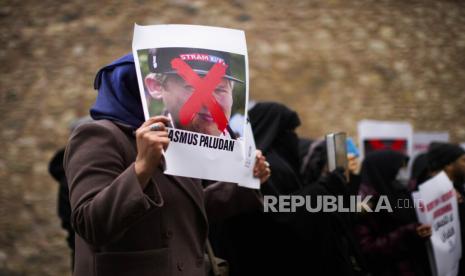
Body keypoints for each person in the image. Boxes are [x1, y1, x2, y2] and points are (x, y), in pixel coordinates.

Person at [65, 53, 270, 276]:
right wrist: (141, 168)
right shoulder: (99, 135)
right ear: (131, 88)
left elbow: (185, 211)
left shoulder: (173, 134)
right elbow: (90, 224)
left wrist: (245, 180)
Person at [355, 150, 432, 276]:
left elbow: (421, 204)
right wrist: (408, 234)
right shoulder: (366, 205)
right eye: (400, 168)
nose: (403, 173)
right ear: (384, 169)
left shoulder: (399, 193)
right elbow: (368, 250)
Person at [144, 48, 243, 137]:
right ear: (156, 86)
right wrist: (145, 157)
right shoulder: (140, 145)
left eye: (219, 90)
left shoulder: (243, 149)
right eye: (193, 88)